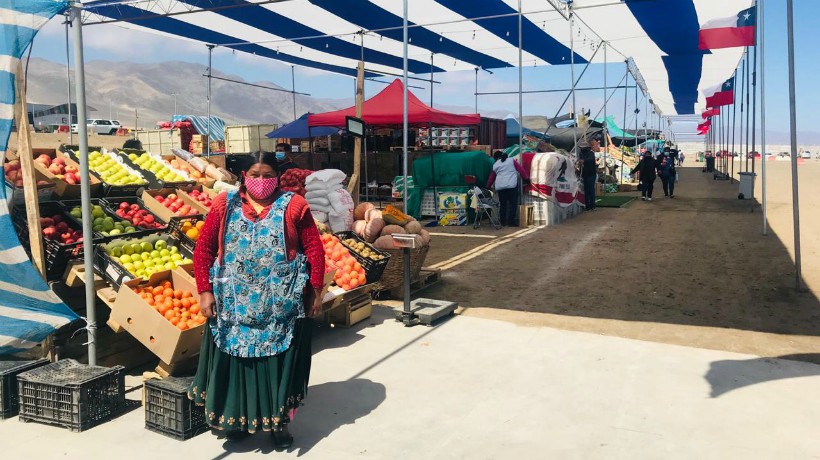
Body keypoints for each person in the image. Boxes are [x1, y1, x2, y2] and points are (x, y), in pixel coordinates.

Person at [189, 151, 325, 448]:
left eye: (267, 175)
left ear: (277, 176)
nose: (260, 181)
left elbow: (314, 250)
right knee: (238, 363)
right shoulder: (224, 205)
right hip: (234, 304)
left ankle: (278, 424)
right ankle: (237, 420)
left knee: (277, 365)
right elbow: (203, 250)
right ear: (243, 177)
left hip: (282, 306)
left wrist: (315, 290)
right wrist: (204, 290)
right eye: (254, 175)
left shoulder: (294, 205)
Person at [487, 150, 529, 226]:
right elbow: (521, 170)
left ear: (496, 158)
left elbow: (491, 178)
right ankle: (511, 222)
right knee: (513, 204)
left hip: (500, 187)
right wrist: (526, 179)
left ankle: (502, 222)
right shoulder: (511, 161)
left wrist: (488, 187)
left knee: (503, 204)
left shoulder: (495, 164)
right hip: (511, 186)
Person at [578, 135, 600, 211]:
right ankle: (588, 206)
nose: (581, 149)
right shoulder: (581, 154)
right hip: (585, 174)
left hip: (591, 174)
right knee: (586, 191)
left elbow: (590, 160)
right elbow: (580, 161)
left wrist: (583, 161)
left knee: (591, 190)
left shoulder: (591, 153)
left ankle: (592, 206)